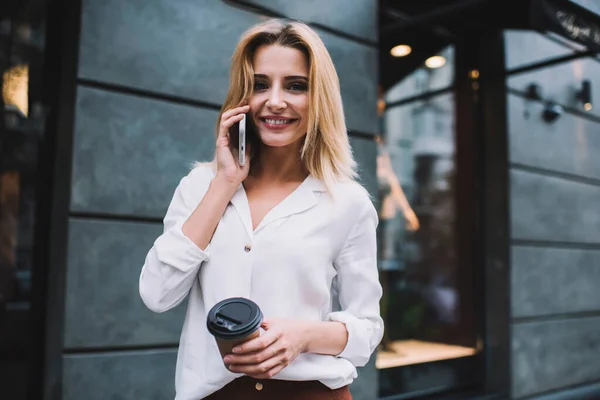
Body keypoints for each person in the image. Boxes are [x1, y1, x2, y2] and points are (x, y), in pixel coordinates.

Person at [139, 19, 383, 400]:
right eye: (260, 84)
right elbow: (157, 294)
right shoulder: (201, 187)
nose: (275, 101)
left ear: (319, 98)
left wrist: (303, 336)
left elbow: (367, 329)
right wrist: (225, 182)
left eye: (296, 86)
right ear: (243, 96)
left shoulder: (347, 203)